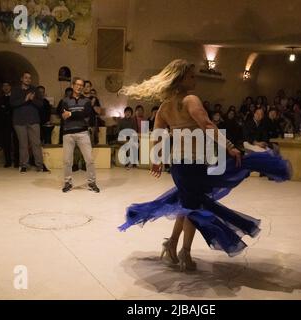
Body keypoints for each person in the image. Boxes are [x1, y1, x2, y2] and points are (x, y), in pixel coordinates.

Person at [118, 59, 290, 271]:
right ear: (181, 79)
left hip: (179, 166)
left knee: (187, 203)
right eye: (191, 76)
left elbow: (158, 136)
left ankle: (172, 244)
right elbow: (207, 125)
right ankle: (185, 253)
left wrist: (157, 158)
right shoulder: (191, 100)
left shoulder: (165, 107)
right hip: (193, 165)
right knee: (194, 208)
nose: (195, 79)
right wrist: (229, 146)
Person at [58, 77, 99, 193]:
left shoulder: (86, 101)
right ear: (73, 85)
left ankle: (92, 183)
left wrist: (70, 113)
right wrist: (74, 114)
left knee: (90, 159)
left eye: (81, 85)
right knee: (67, 161)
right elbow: (63, 115)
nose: (80, 87)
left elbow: (86, 114)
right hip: (68, 133)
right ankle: (68, 183)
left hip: (82, 132)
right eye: (77, 84)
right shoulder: (65, 100)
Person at [10, 71, 48, 173]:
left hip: (33, 120)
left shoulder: (35, 90)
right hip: (19, 121)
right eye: (26, 77)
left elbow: (41, 104)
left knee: (36, 143)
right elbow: (12, 104)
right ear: (21, 79)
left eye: (29, 78)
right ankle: (23, 165)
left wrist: (32, 100)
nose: (28, 80)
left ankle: (40, 165)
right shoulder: (15, 90)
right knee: (23, 144)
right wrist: (25, 99)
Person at [0, 82, 19, 167]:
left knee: (16, 142)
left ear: (10, 87)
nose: (6, 87)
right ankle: (8, 161)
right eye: (4, 86)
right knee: (6, 143)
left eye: (7, 86)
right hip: (4, 124)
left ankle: (17, 161)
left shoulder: (15, 98)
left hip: (15, 122)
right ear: (2, 88)